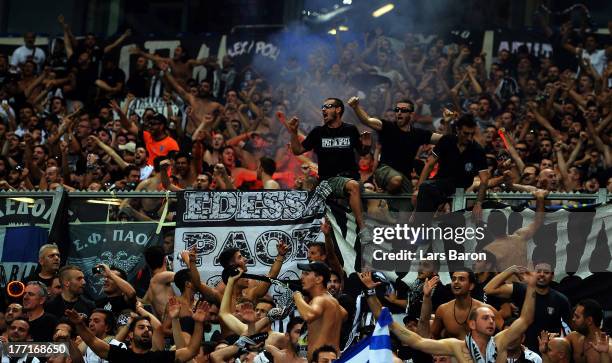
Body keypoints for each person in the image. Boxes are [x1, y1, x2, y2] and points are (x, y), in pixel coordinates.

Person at [359, 269, 536, 362]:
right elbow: (417, 341)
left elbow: (525, 319)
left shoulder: (500, 341)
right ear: (472, 324)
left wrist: (532, 287)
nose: (491, 320)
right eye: (485, 318)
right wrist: (372, 297)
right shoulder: (457, 347)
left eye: (491, 317)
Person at [285, 98, 370, 241]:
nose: (323, 109)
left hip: (351, 177)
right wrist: (293, 132)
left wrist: (367, 145)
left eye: (328, 106)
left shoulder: (350, 129)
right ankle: (363, 229)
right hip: (329, 180)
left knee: (357, 185)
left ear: (338, 110)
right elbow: (297, 150)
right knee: (354, 186)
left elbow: (363, 153)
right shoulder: (318, 132)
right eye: (322, 107)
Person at [348, 96, 441, 210]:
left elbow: (443, 139)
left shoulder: (418, 133)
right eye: (397, 110)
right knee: (396, 180)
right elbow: (367, 120)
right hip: (384, 170)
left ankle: (387, 205)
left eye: (403, 110)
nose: (399, 113)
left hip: (405, 178)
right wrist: (356, 107)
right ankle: (383, 198)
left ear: (411, 114)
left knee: (405, 215)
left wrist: (447, 122)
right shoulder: (387, 127)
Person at [65, 300, 209, 363]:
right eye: (141, 327)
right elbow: (92, 341)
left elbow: (191, 351)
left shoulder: (161, 358)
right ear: (130, 334)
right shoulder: (120, 355)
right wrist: (79, 325)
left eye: (149, 328)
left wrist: (198, 323)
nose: (147, 330)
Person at [413, 114, 489, 221]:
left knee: (427, 189)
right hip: (440, 182)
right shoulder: (446, 140)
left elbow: (485, 179)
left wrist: (478, 203)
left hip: (460, 186)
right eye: (466, 133)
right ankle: (421, 229)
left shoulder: (477, 150)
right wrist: (418, 189)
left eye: (472, 134)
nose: (469, 138)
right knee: (424, 189)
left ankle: (420, 227)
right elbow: (429, 165)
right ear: (457, 130)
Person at [484, 263, 571, 353]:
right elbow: (488, 289)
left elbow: (568, 331)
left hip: (549, 351)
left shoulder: (561, 300)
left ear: (552, 276)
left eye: (546, 272)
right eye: (538, 271)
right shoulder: (521, 290)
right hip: (524, 350)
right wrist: (511, 270)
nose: (541, 274)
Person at [482, 189, 549, 271]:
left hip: (507, 283)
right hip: (523, 282)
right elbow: (539, 221)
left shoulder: (488, 250)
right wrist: (540, 198)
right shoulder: (520, 237)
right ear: (505, 224)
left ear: (488, 227)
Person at [293, 261, 347, 360]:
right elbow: (344, 315)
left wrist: (297, 296)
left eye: (306, 273)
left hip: (321, 360)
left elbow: (308, 315)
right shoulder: (332, 301)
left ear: (319, 279)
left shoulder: (320, 300)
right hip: (333, 358)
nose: (301, 277)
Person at [430, 268, 502, 340]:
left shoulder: (486, 309)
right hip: (453, 350)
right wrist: (426, 298)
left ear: (471, 286)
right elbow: (433, 337)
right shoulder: (443, 310)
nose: (456, 282)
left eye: (461, 279)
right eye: (453, 279)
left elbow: (506, 334)